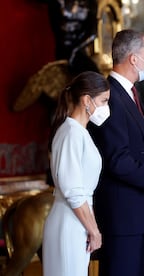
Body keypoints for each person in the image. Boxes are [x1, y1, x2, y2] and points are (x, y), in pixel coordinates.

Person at [88, 30, 144, 276]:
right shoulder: (109, 96)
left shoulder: (132, 94)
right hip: (121, 214)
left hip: (134, 212)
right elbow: (118, 159)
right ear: (134, 59)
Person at [43, 71, 110, 276]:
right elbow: (73, 190)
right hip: (69, 222)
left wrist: (90, 227)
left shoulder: (80, 132)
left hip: (77, 221)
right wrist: (94, 230)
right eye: (104, 100)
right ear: (86, 100)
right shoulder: (71, 133)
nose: (107, 107)